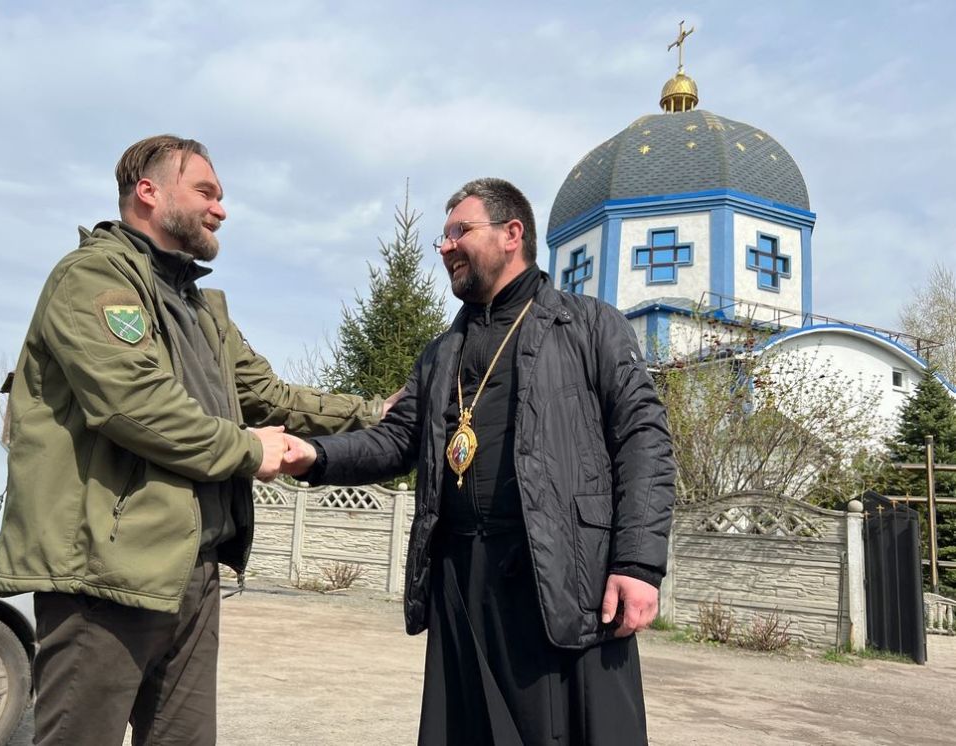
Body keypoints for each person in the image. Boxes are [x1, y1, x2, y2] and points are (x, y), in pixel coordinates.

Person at [0, 135, 390, 745]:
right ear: (148, 192)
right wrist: (252, 451)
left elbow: (272, 396)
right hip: (105, 573)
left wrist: (375, 412)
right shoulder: (93, 277)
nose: (220, 209)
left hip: (194, 570)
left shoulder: (201, 308)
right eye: (205, 191)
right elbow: (135, 405)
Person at [282, 178, 677, 745]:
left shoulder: (590, 325)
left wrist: (638, 565)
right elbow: (396, 440)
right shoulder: (444, 351)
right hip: (463, 578)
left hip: (564, 574)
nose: (444, 247)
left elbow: (645, 440)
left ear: (512, 233)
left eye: (458, 231)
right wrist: (313, 455)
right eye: (443, 237)